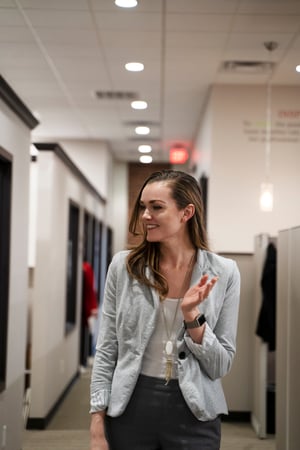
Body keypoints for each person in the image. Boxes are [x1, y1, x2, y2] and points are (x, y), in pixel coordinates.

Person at [90, 169, 240, 450]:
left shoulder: (225, 272)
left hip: (194, 412)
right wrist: (97, 421)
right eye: (143, 207)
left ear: (187, 212)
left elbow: (221, 364)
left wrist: (193, 319)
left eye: (156, 207)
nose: (146, 215)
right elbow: (107, 348)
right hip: (131, 406)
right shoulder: (123, 267)